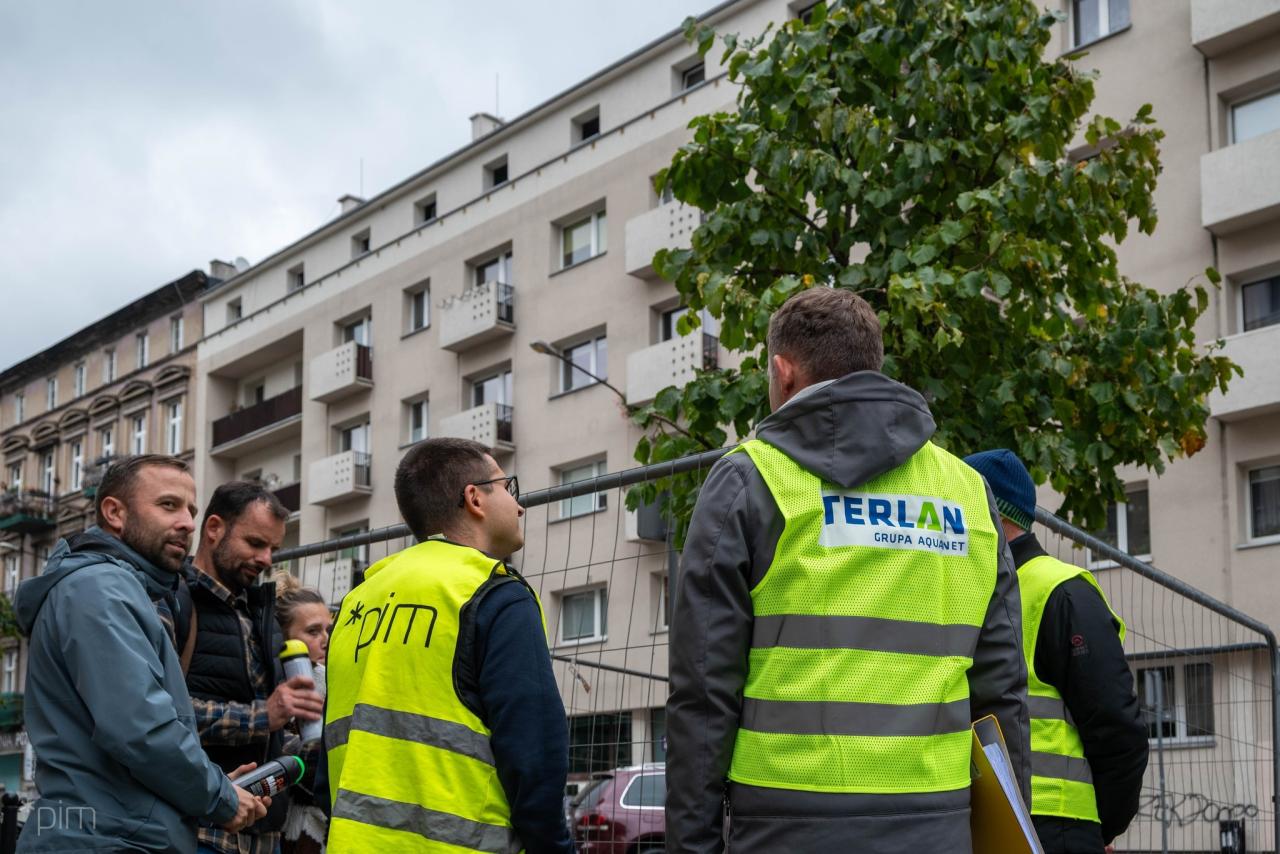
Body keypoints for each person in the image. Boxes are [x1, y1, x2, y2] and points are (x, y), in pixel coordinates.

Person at [666, 287, 1031, 854]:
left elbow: (705, 693)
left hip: (788, 823)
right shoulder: (968, 494)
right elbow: (1002, 692)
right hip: (937, 822)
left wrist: (692, 846)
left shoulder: (750, 479)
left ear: (783, 372)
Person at [324, 438, 574, 853]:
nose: (518, 505)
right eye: (507, 488)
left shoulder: (358, 602)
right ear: (474, 498)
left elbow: (330, 757)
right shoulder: (492, 592)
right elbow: (534, 755)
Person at [13, 454, 268, 852]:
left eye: (191, 510)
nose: (187, 522)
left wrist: (211, 786)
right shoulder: (99, 589)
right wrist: (219, 796)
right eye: (168, 505)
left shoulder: (119, 588)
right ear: (114, 512)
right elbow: (141, 729)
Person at [964, 449, 1148, 853]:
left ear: (989, 513)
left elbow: (1118, 729)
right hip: (986, 821)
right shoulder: (973, 587)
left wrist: (1101, 829)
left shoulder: (1061, 591)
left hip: (1056, 827)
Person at [186, 482, 324, 854]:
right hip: (204, 833)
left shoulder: (256, 611)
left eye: (273, 549)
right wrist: (266, 715)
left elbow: (272, 733)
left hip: (265, 835)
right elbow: (161, 717)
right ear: (214, 529)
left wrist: (311, 748)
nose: (266, 559)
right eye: (255, 543)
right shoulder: (177, 602)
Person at [274, 572, 332, 854]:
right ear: (283, 636)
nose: (325, 640)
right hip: (289, 826)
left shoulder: (333, 678)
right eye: (312, 631)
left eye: (328, 630)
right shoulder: (275, 686)